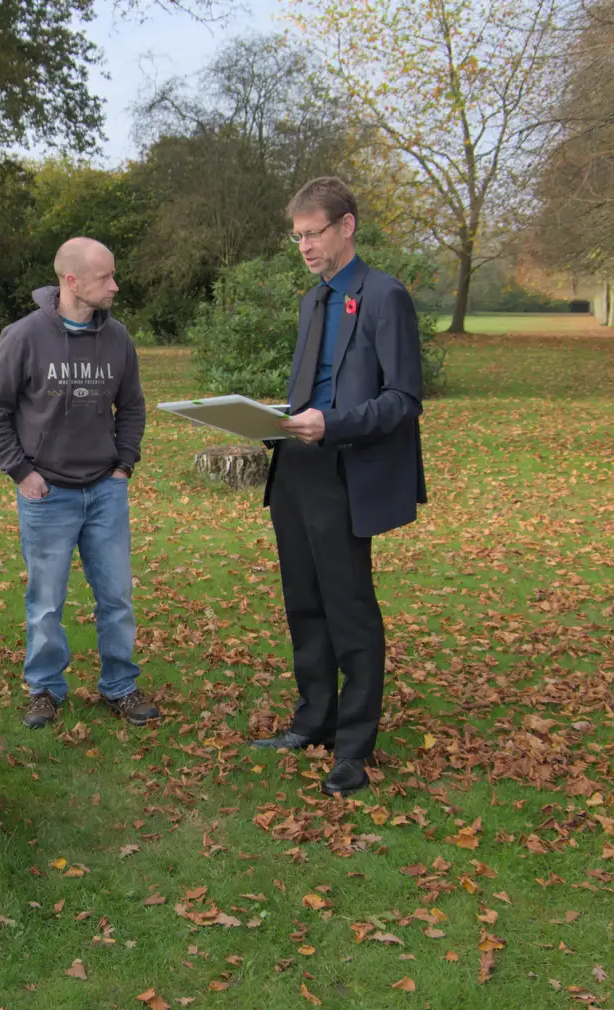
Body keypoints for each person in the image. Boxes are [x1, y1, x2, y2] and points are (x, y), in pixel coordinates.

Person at [249, 177, 427, 796]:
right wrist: (273, 418)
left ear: (347, 226)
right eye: (296, 236)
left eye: (313, 233)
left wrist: (333, 424)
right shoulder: (311, 301)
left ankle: (354, 747)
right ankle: (314, 721)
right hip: (296, 467)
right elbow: (313, 392)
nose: (304, 245)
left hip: (346, 469)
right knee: (304, 603)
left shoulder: (385, 297)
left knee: (350, 610)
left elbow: (404, 401)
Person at [0, 237, 159, 729]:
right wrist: (21, 472)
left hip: (104, 491)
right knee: (45, 603)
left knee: (117, 597)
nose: (115, 285)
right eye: (105, 277)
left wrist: (124, 465)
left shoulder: (118, 338)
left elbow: (133, 406)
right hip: (47, 494)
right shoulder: (24, 336)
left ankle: (120, 685)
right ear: (71, 281)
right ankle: (45, 689)